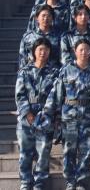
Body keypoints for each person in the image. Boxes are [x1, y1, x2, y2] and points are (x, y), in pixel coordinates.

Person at [41, 38, 90, 190]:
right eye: (81, 50)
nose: (84, 52)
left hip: (89, 117)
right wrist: (51, 113)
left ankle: (81, 182)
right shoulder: (66, 70)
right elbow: (57, 93)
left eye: (87, 50)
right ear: (75, 51)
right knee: (69, 151)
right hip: (69, 116)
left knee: (86, 150)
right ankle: (70, 181)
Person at [15, 38, 58, 190]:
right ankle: (26, 182)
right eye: (40, 49)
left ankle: (39, 182)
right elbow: (19, 94)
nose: (43, 52)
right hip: (26, 119)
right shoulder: (25, 71)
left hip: (46, 117)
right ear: (34, 51)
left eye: (46, 49)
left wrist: (47, 113)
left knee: (43, 152)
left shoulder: (54, 72)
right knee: (25, 152)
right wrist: (27, 113)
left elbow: (55, 94)